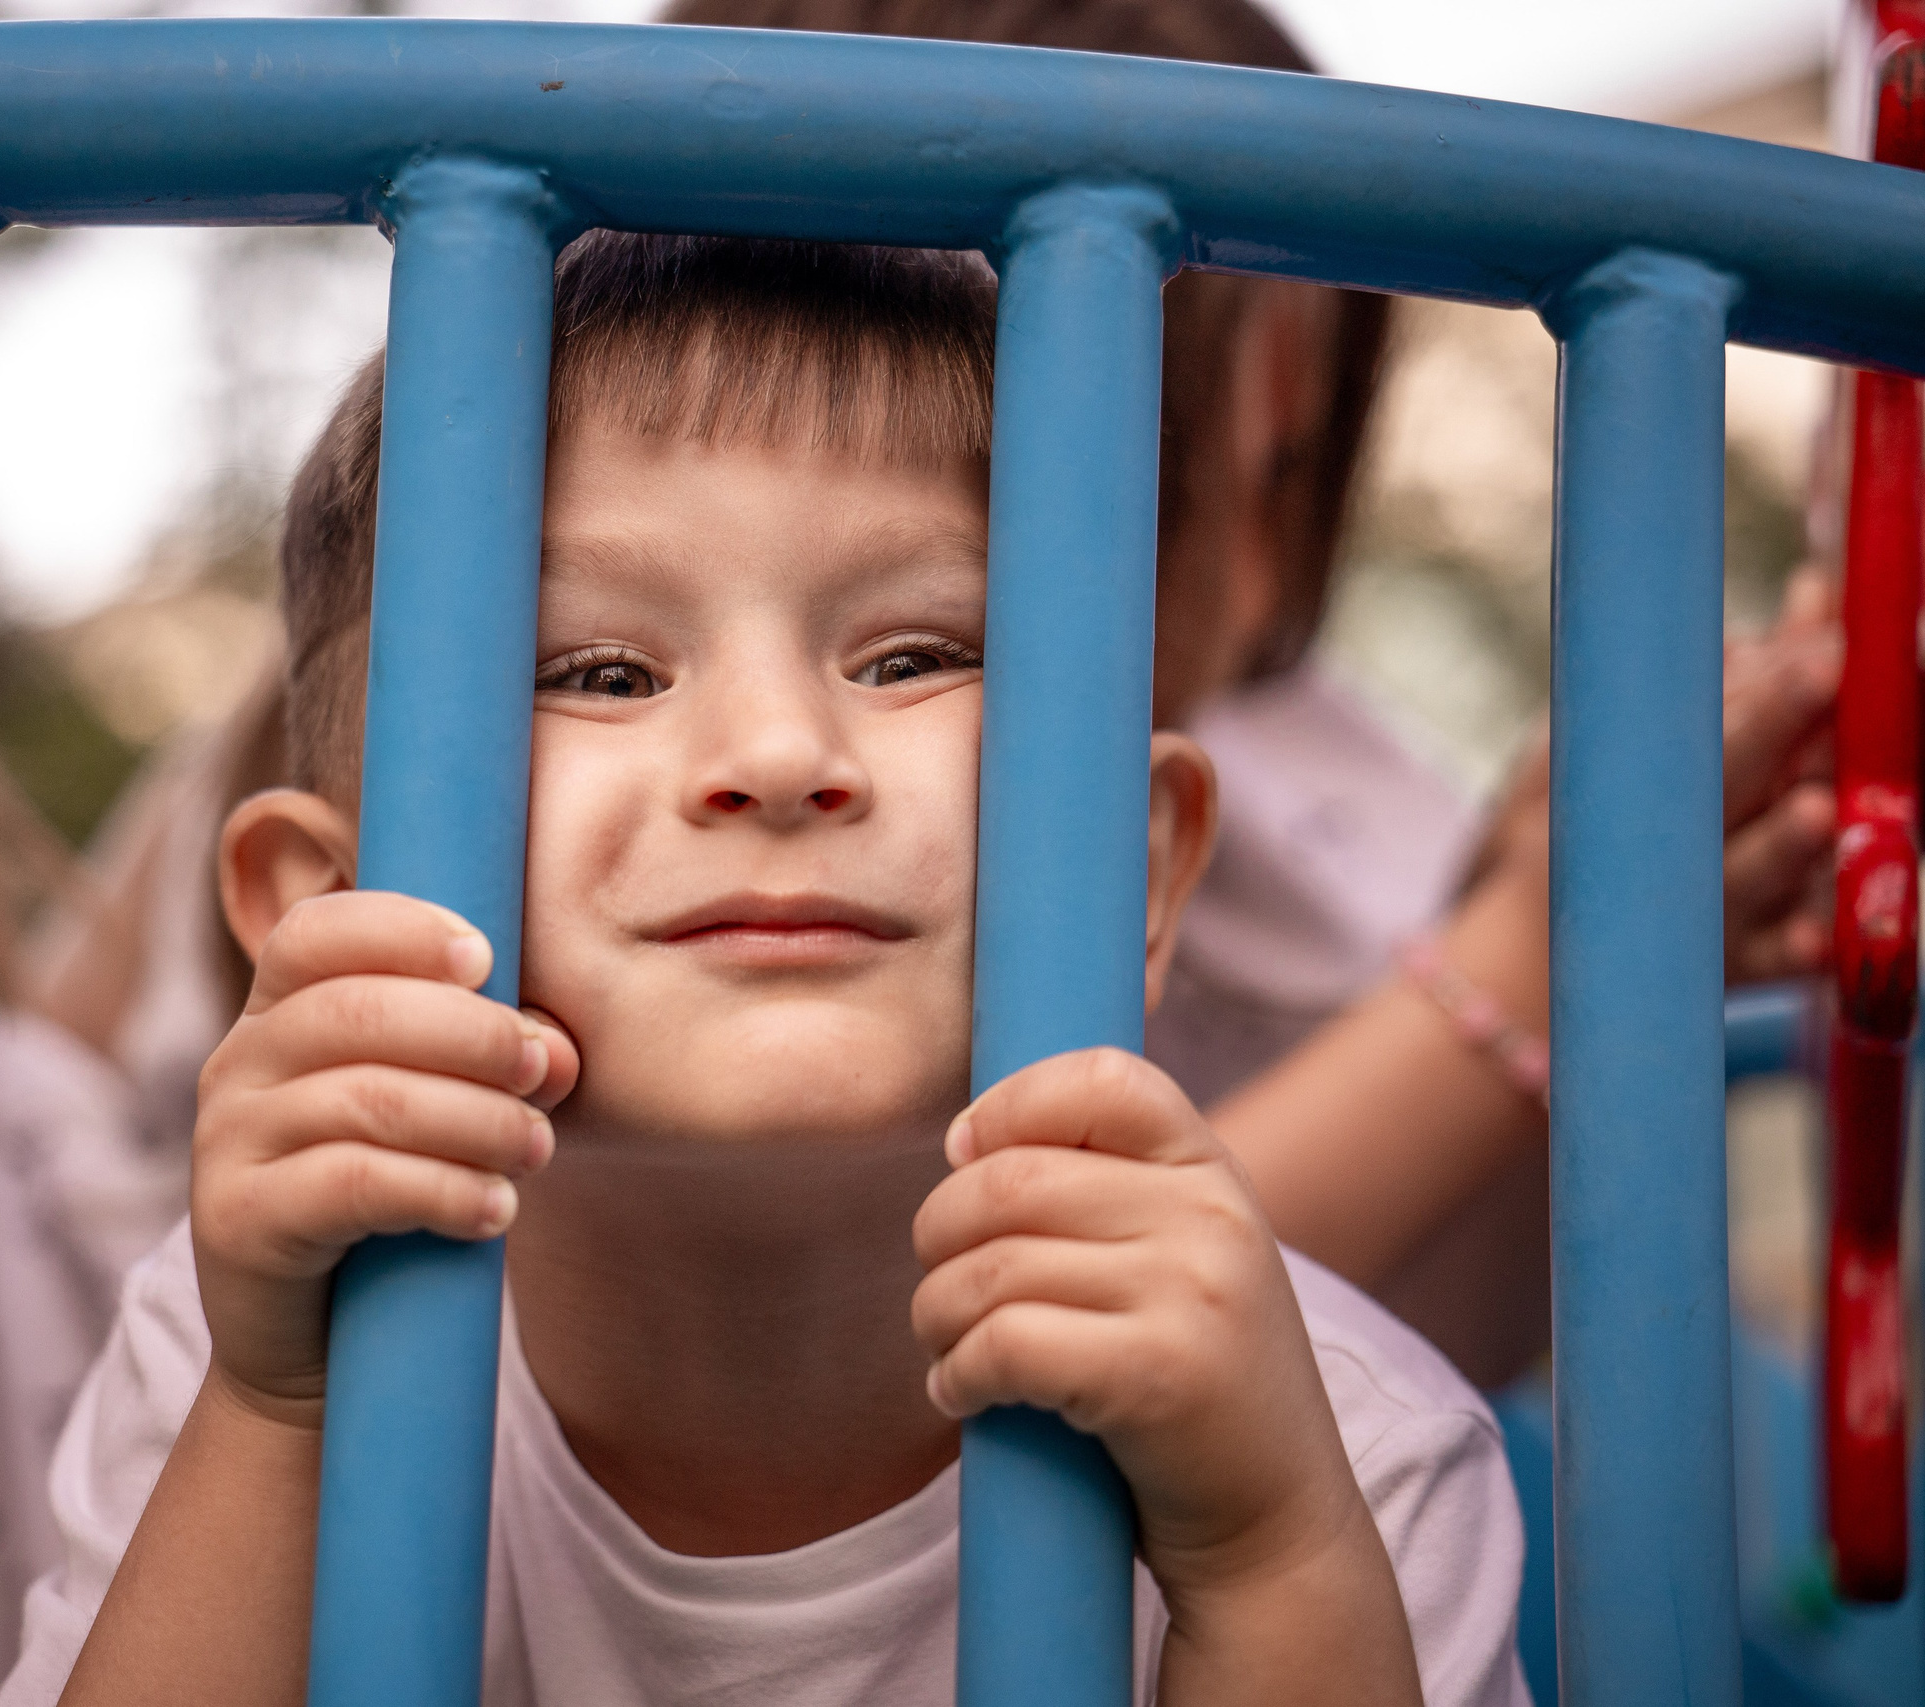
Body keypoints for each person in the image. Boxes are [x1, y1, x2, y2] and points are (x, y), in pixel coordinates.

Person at [0, 231, 1531, 1707]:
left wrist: (1264, 1567)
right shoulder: (251, 1352)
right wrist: (282, 1414)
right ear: (323, 910)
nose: (783, 756)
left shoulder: (1331, 1449)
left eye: (913, 654)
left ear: (1134, 862)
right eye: (602, 672)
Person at [665, 0, 1841, 1385]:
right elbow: (931, 1371)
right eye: (1228, 457)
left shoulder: (1265, 800)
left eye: (1297, 466)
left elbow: (1446, 1340)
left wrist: (1552, 930)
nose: (1264, 557)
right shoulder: (716, 830)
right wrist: (1517, 957)